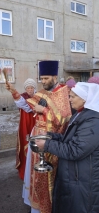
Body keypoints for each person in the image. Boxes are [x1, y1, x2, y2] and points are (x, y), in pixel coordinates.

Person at [6, 60, 71, 213]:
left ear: (55, 77)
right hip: (37, 137)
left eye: (46, 78)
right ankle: (37, 206)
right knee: (36, 174)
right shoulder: (41, 93)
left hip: (52, 140)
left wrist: (44, 110)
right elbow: (26, 106)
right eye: (41, 79)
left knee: (48, 176)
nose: (43, 82)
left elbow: (64, 119)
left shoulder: (62, 92)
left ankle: (48, 207)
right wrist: (14, 91)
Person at [35, 82, 99, 213]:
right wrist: (49, 136)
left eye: (73, 97)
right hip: (75, 176)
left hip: (83, 182)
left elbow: (75, 150)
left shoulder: (93, 121)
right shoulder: (81, 114)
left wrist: (46, 145)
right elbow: (68, 138)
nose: (69, 100)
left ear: (85, 98)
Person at [6, 78, 36, 180]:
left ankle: (35, 167)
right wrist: (13, 91)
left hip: (36, 124)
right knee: (26, 145)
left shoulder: (39, 97)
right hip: (25, 125)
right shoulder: (23, 97)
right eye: (28, 87)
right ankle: (26, 168)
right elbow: (22, 103)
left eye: (31, 87)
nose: (30, 89)